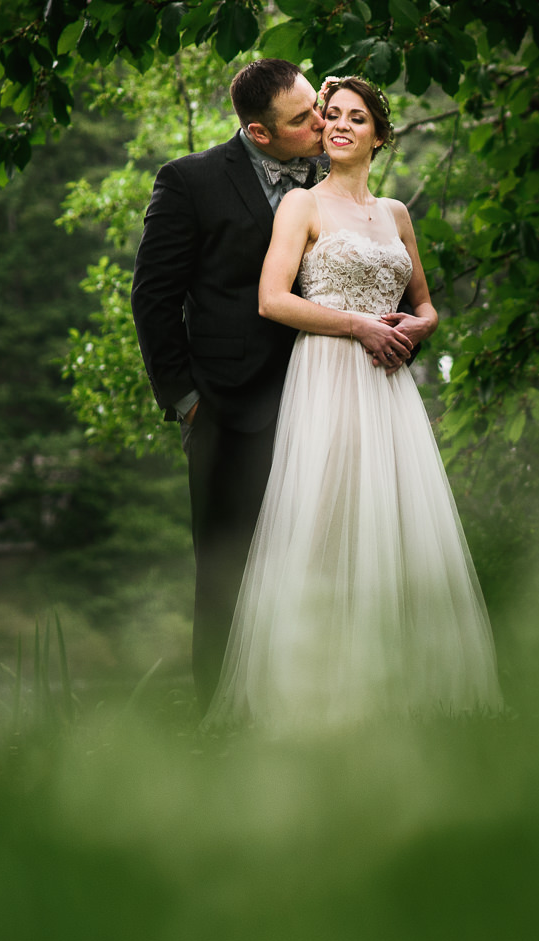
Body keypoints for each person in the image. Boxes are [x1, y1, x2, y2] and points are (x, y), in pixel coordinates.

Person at [201, 75, 501, 730]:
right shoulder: (301, 208)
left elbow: (424, 304)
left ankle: (396, 687)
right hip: (331, 372)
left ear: (380, 135)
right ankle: (312, 694)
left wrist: (420, 327)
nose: (337, 124)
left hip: (388, 388)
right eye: (330, 114)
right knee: (326, 515)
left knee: (389, 519)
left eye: (354, 117)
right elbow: (272, 300)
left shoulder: (396, 214)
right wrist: (360, 326)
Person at [130, 59, 419, 707]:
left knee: (326, 556)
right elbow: (153, 299)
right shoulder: (190, 182)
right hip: (227, 408)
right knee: (230, 569)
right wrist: (187, 402)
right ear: (260, 134)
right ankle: (221, 723)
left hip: (330, 398)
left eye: (318, 107)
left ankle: (324, 705)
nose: (322, 122)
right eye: (304, 118)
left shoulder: (333, 176)